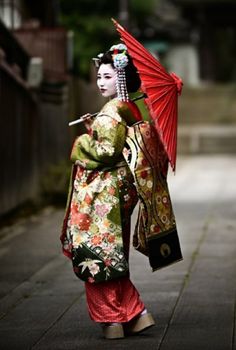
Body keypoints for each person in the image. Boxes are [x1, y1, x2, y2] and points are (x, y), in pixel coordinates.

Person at [60, 43, 182, 339]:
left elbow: (106, 150)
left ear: (122, 79)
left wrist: (81, 143)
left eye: (108, 77)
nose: (101, 82)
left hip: (100, 197)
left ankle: (112, 320)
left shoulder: (110, 113)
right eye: (99, 77)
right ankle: (136, 314)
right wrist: (96, 125)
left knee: (93, 253)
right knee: (112, 253)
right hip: (119, 194)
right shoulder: (129, 109)